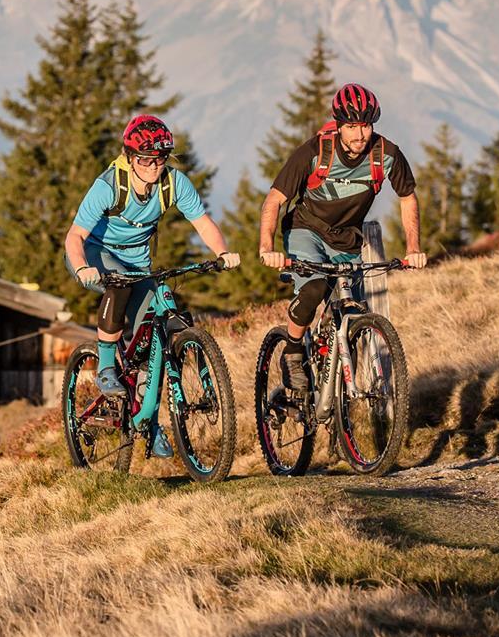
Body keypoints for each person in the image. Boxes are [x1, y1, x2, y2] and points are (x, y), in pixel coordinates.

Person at [63, 114, 240, 455]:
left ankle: (149, 421)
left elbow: (202, 223)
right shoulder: (109, 185)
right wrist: (83, 267)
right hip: (96, 254)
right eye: (145, 160)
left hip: (139, 262)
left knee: (154, 339)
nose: (154, 166)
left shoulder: (173, 183)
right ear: (130, 157)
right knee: (119, 287)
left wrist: (222, 252)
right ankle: (106, 367)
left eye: (160, 159)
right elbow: (75, 236)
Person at [257, 84, 426, 397]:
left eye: (366, 126)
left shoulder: (386, 155)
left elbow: (408, 197)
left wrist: (413, 247)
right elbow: (274, 200)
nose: (360, 134)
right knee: (314, 288)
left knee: (353, 316)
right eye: (352, 126)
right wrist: (267, 248)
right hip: (306, 230)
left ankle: (336, 402)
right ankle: (293, 350)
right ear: (338, 125)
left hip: (347, 240)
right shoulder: (315, 152)